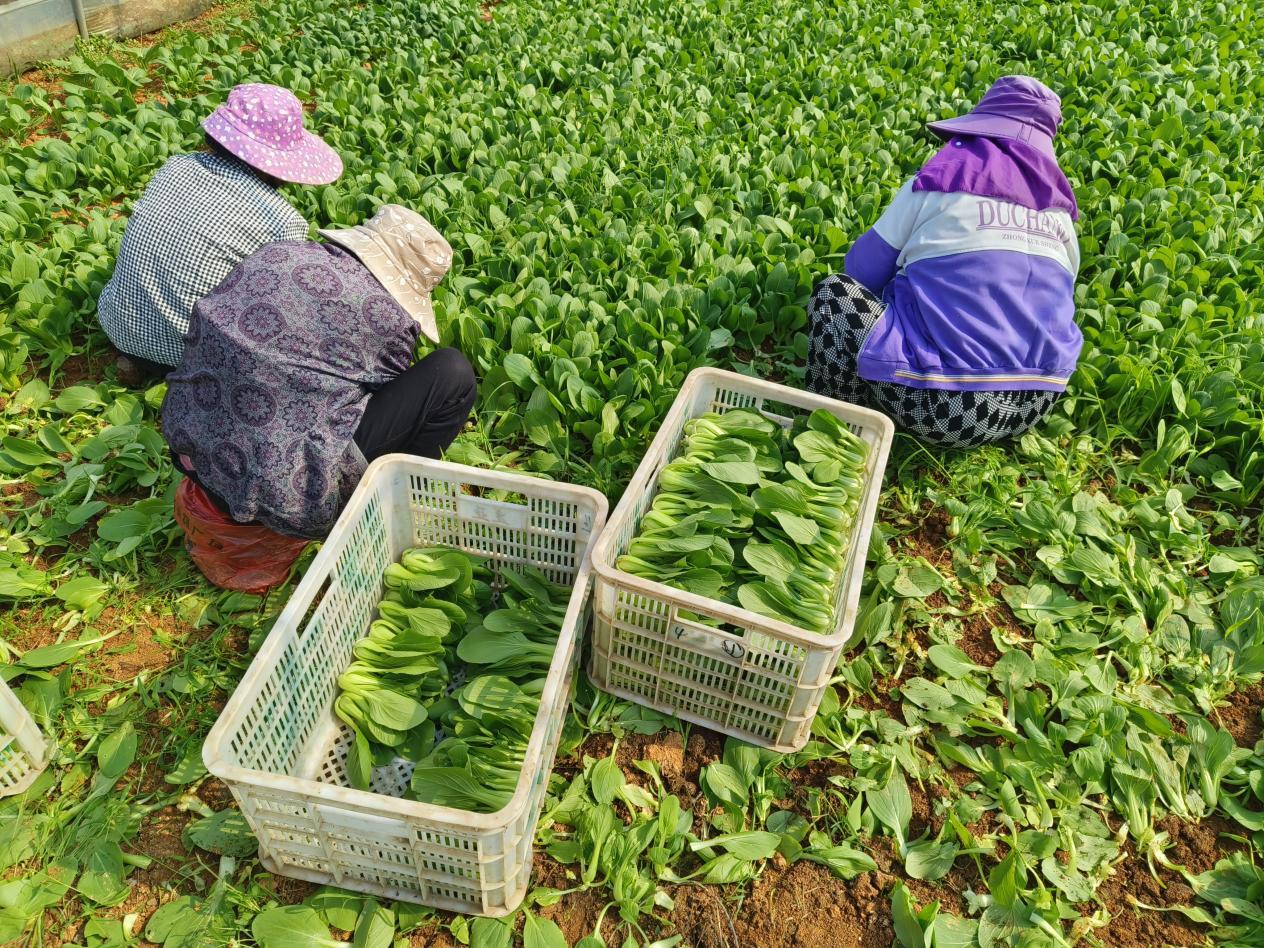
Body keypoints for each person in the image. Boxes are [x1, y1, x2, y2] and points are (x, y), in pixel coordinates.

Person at [161, 204, 478, 539]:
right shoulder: (390, 321)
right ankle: (392, 502)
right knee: (453, 373)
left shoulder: (277, 253)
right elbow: (389, 399)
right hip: (283, 503)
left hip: (192, 453)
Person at [806, 75, 1081, 447]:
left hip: (947, 409)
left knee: (835, 296)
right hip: (1037, 401)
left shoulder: (937, 185)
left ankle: (838, 426)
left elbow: (859, 272)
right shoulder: (1061, 218)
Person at [97, 83, 343, 385]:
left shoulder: (176, 166)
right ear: (275, 165)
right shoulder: (281, 220)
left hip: (118, 324)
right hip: (188, 356)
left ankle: (136, 365)